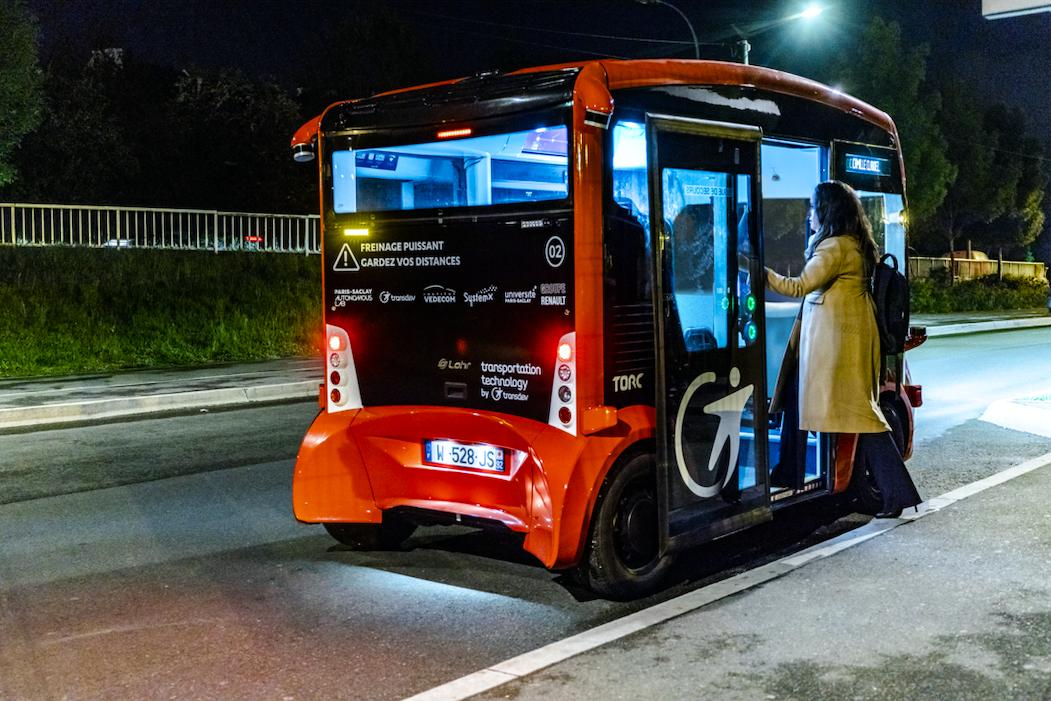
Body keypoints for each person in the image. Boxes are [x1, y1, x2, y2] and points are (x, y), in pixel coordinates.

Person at [765, 180, 921, 517]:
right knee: (840, 411)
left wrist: (759, 272)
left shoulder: (833, 247)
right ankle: (789, 469)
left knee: (866, 419)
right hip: (846, 344)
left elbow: (798, 286)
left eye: (813, 208)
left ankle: (897, 494)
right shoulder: (854, 244)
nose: (809, 215)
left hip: (837, 350)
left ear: (826, 211)